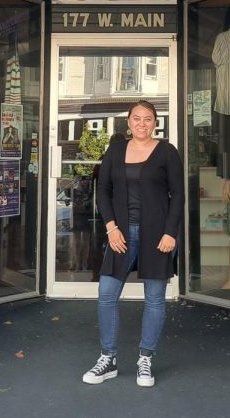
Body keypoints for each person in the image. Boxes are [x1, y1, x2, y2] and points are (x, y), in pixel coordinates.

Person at [82, 101, 183, 388]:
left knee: (154, 298)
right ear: (128, 122)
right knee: (107, 293)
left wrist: (170, 233)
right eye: (136, 119)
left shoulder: (167, 152)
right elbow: (103, 190)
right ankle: (108, 359)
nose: (141, 123)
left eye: (147, 119)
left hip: (158, 235)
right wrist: (111, 227)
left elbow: (178, 195)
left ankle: (145, 359)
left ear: (155, 123)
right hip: (121, 234)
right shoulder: (115, 151)